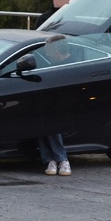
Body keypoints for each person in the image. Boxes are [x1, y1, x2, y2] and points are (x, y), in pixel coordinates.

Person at [38, 34, 72, 176]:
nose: (46, 55)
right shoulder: (52, 64)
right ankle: (53, 159)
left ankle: (60, 159)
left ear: (57, 53)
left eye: (49, 53)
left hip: (70, 110)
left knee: (50, 118)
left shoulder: (75, 66)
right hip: (54, 107)